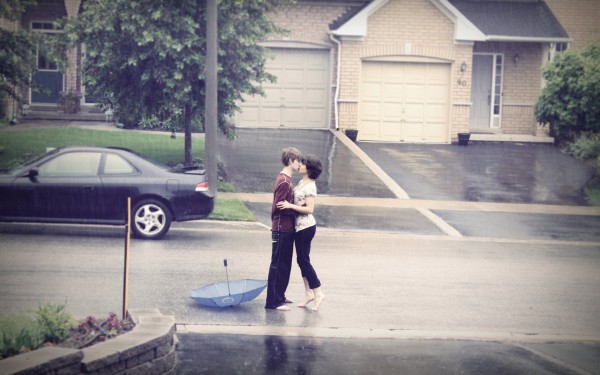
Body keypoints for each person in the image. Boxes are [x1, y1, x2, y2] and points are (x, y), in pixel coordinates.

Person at [277, 154, 325, 311]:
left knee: (303, 260)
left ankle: (318, 292)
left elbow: (310, 209)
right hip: (299, 227)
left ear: (309, 168)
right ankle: (308, 294)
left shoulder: (310, 185)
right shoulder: (301, 182)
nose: (301, 165)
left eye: (304, 163)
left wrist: (290, 206)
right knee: (302, 260)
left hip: (306, 228)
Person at [265, 147, 302, 311]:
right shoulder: (284, 181)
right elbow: (279, 207)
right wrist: (297, 209)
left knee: (285, 264)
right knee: (277, 264)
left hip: (287, 228)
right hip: (281, 228)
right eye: (298, 161)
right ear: (290, 161)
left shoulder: (286, 179)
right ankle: (272, 302)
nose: (300, 164)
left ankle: (280, 296)